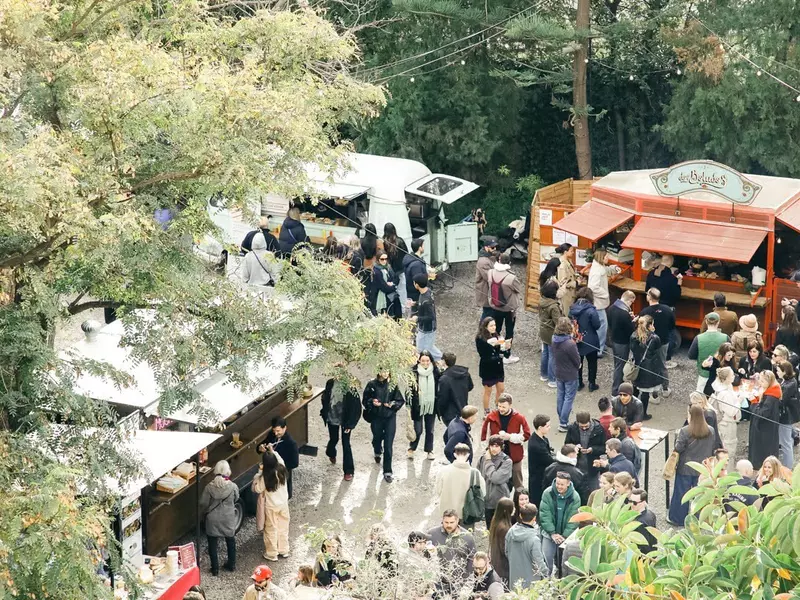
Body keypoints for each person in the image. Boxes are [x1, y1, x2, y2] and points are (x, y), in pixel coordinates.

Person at [669, 404, 717, 525]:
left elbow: (678, 448)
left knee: (681, 494)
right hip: (703, 468)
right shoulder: (710, 430)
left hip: (685, 467)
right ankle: (699, 520)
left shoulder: (685, 431)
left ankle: (677, 519)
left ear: (691, 415)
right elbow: (713, 448)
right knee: (700, 496)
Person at [481, 392, 531, 490]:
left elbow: (526, 435)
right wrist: (486, 449)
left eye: (503, 407)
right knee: (496, 482)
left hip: (515, 456)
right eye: (499, 406)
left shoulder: (519, 418)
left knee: (518, 484)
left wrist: (510, 437)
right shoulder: (491, 416)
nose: (501, 409)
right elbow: (484, 434)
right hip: (496, 455)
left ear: (510, 405)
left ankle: (518, 503)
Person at [362, 371, 405, 483]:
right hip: (376, 417)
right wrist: (372, 402)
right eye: (383, 371)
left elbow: (400, 400)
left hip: (390, 417)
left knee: (388, 443)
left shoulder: (392, 384)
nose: (385, 373)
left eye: (387, 371)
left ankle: (387, 471)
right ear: (378, 371)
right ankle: (377, 450)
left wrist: (392, 404)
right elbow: (365, 400)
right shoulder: (371, 384)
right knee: (377, 437)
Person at [200, 460, 239, 576]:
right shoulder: (232, 486)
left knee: (212, 543)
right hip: (228, 517)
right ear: (228, 471)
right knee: (230, 541)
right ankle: (231, 564)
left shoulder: (209, 487)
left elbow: (203, 502)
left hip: (213, 519)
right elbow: (236, 498)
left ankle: (215, 569)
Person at [252, 447, 290, 562]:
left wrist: (258, 473)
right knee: (283, 527)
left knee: (271, 529)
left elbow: (257, 489)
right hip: (283, 503)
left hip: (271, 506)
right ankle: (284, 549)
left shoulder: (265, 476)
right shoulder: (282, 468)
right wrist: (272, 451)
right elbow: (280, 458)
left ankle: (272, 553)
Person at [321, 376, 361, 481]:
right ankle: (331, 452)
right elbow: (326, 398)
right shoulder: (330, 382)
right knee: (334, 438)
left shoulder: (350, 386)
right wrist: (324, 411)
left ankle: (348, 470)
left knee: (346, 443)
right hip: (332, 416)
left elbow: (356, 407)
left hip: (345, 420)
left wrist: (351, 424)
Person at [539, 472, 580, 573]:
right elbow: (545, 514)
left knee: (563, 562)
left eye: (562, 484)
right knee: (545, 560)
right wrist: (552, 533)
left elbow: (573, 519)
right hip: (549, 534)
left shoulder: (575, 497)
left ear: (568, 483)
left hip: (565, 537)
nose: (559, 486)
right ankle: (545, 582)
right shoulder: (547, 493)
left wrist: (565, 535)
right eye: (557, 483)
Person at [428, 510, 477, 595]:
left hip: (458, 583)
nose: (449, 525)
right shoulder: (432, 534)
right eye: (446, 522)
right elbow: (425, 555)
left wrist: (464, 579)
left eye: (451, 522)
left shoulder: (467, 537)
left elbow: (472, 559)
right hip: (438, 582)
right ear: (442, 520)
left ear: (457, 521)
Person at [639, 287, 674, 396]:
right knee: (662, 364)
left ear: (649, 297)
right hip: (664, 341)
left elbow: (640, 328)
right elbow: (672, 325)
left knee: (651, 365)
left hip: (649, 342)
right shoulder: (668, 309)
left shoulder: (645, 312)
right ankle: (665, 388)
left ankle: (653, 392)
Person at [488, 253, 522, 364]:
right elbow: (518, 289)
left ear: (499, 260)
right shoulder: (511, 277)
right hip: (509, 309)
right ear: (509, 263)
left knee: (495, 329)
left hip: (494, 305)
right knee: (509, 331)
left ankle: (495, 351)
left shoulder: (490, 272)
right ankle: (507, 355)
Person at [505, 503, 548, 589]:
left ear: (520, 516)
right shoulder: (534, 540)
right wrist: (546, 574)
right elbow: (539, 563)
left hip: (514, 580)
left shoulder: (510, 532)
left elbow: (506, 552)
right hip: (531, 584)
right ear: (534, 518)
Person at [436, 443, 485, 519]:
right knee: (466, 531)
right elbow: (483, 493)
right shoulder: (475, 473)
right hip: (468, 514)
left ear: (455, 454)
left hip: (447, 515)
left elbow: (438, 491)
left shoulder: (443, 471)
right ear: (468, 455)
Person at [408, 351, 441, 460]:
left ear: (431, 360)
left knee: (430, 430)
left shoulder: (436, 372)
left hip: (431, 405)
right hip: (418, 405)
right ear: (419, 361)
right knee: (418, 430)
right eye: (423, 361)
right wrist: (409, 404)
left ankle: (429, 450)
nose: (425, 363)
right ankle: (411, 449)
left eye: (427, 360)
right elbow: (409, 390)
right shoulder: (414, 372)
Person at [565, 410, 610, 491]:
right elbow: (566, 445)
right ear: (577, 422)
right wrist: (575, 447)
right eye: (581, 427)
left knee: (594, 492)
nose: (584, 428)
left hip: (592, 468)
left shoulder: (599, 429)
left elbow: (604, 448)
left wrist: (592, 449)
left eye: (586, 426)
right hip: (577, 466)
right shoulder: (572, 428)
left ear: (590, 421)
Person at [629, 314, 663, 419]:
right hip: (649, 367)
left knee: (635, 389)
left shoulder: (634, 336)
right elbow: (658, 352)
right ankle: (643, 414)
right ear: (649, 326)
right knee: (645, 392)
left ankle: (631, 411)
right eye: (652, 324)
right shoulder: (655, 338)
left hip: (637, 365)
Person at [476, 317, 511, 413]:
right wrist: (496, 346)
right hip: (488, 368)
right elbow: (484, 354)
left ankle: (497, 407)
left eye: (494, 325)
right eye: (491, 325)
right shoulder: (480, 339)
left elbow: (504, 353)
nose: (493, 327)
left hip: (498, 367)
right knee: (488, 391)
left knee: (501, 388)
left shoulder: (496, 336)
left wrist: (506, 348)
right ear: (485, 327)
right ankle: (486, 411)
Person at [569, 287, 601, 392]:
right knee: (592, 363)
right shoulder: (591, 310)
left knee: (578, 362)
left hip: (576, 339)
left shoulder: (572, 308)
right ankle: (591, 383)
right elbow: (597, 325)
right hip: (590, 339)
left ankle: (579, 382)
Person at [688, 312, 730, 393]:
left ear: (706, 322)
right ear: (718, 322)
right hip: (720, 374)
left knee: (700, 398)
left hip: (704, 374)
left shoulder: (698, 338)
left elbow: (691, 355)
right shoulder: (725, 337)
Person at [749, 369, 782, 468]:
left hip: (763, 431)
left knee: (763, 457)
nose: (760, 383)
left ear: (769, 382)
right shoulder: (770, 392)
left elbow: (761, 413)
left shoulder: (771, 397)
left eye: (763, 381)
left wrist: (754, 402)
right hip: (766, 430)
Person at [552, 316, 581, 431]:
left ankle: (561, 418)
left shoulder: (554, 339)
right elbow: (576, 359)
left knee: (560, 396)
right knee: (569, 398)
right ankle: (563, 423)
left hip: (559, 372)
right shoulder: (570, 344)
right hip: (570, 374)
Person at [478, 435, 513, 528]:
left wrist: (488, 461)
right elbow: (479, 475)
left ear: (501, 447)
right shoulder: (482, 458)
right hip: (486, 500)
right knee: (490, 528)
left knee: (502, 529)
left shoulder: (507, 461)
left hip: (500, 501)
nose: (494, 449)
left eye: (497, 446)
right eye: (492, 446)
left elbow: (496, 478)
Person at [588, 249, 618, 355]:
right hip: (598, 303)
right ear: (602, 257)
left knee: (600, 325)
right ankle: (598, 349)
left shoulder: (599, 267)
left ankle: (600, 345)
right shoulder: (597, 271)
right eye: (606, 257)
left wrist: (614, 269)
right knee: (602, 326)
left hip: (599, 303)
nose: (608, 258)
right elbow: (593, 287)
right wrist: (605, 294)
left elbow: (606, 270)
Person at [608, 290, 637, 396]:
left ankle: (618, 385)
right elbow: (630, 329)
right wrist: (633, 321)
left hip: (614, 340)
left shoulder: (612, 308)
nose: (631, 304)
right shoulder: (624, 313)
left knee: (617, 364)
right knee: (620, 366)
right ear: (629, 299)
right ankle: (615, 390)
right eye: (631, 302)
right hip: (623, 342)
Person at [265, 416, 299, 499]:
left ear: (284, 428)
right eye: (274, 431)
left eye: (278, 431)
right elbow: (265, 442)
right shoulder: (272, 435)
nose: (276, 433)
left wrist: (280, 466)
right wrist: (262, 447)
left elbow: (294, 463)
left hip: (283, 473)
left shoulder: (291, 444)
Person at [710, 367, 742, 453]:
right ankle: (728, 466)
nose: (734, 376)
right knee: (729, 448)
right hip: (727, 423)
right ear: (726, 378)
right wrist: (739, 401)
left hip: (724, 421)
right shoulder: (725, 394)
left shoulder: (725, 386)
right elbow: (731, 411)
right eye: (732, 375)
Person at [411, 274, 443, 361]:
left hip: (428, 329)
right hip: (423, 327)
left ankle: (439, 360)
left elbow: (431, 316)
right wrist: (416, 303)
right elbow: (423, 304)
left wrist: (417, 319)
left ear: (417, 284)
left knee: (424, 349)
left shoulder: (426, 299)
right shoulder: (426, 291)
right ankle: (440, 358)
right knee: (427, 346)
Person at [438, 352, 474, 425]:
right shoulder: (465, 373)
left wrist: (440, 412)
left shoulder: (444, 379)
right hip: (463, 408)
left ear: (444, 361)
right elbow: (470, 386)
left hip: (450, 412)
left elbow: (443, 398)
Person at [527, 414, 555, 507]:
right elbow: (549, 460)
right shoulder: (536, 445)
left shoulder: (541, 438)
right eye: (547, 426)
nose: (549, 428)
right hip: (538, 479)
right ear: (540, 427)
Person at [539, 280, 563, 388]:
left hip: (543, 330)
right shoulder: (553, 306)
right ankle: (552, 379)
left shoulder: (541, 300)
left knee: (545, 353)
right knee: (552, 355)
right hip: (552, 332)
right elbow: (558, 321)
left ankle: (544, 375)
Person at [776, 361, 800, 469]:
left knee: (786, 443)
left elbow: (782, 401)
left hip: (786, 416)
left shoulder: (789, 384)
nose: (776, 371)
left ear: (784, 371)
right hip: (786, 415)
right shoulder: (786, 381)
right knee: (787, 442)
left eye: (778, 370)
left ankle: (787, 468)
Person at [487, 497, 514, 584]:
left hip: (496, 560)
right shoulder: (504, 528)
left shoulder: (496, 521)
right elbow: (505, 549)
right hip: (503, 565)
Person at [383, 222, 409, 310]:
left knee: (392, 288)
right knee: (402, 289)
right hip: (401, 269)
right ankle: (403, 308)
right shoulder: (400, 241)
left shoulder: (384, 242)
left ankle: (392, 308)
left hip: (390, 269)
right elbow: (406, 252)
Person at [475, 236, 498, 323]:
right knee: (487, 314)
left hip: (489, 291)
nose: (494, 249)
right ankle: (481, 333)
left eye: (495, 247)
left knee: (489, 313)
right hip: (485, 292)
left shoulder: (489, 257)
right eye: (492, 247)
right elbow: (489, 277)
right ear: (486, 247)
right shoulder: (483, 261)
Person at [370, 251, 398, 317]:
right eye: (382, 259)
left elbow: (395, 278)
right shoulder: (376, 271)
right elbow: (384, 287)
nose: (384, 261)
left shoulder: (388, 267)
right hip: (380, 297)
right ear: (378, 259)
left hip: (388, 297)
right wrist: (393, 286)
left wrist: (392, 284)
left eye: (386, 259)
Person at [630, 488, 658, 554]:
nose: (631, 504)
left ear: (643, 502)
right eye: (630, 501)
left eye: (634, 503)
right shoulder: (650, 514)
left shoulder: (639, 523)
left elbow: (643, 546)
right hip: (652, 550)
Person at [403, 238, 428, 310]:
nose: (424, 247)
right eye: (423, 246)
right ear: (420, 248)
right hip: (417, 295)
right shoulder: (416, 265)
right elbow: (418, 281)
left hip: (412, 292)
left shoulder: (411, 259)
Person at [556, 244, 578, 315]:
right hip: (566, 294)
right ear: (565, 252)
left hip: (571, 293)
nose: (573, 253)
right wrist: (576, 283)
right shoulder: (562, 264)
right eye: (571, 251)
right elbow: (563, 283)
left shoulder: (569, 261)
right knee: (566, 313)